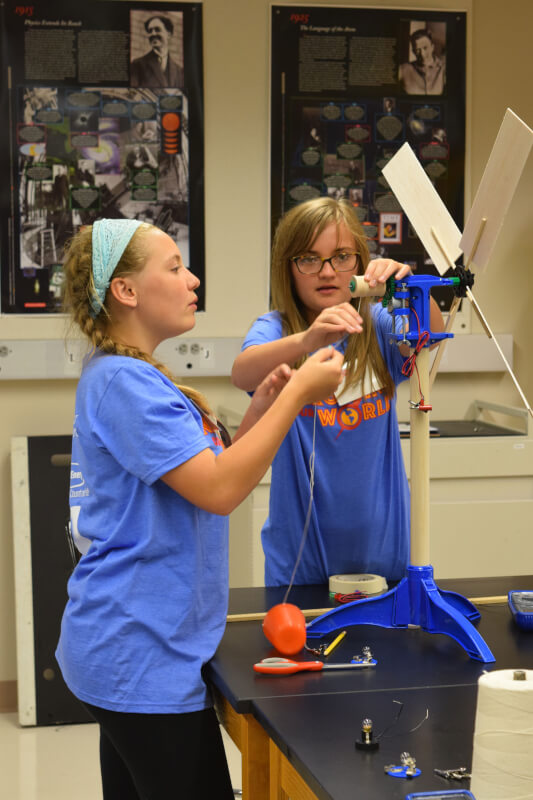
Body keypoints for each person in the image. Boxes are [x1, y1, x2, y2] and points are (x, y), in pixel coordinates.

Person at [55, 218, 343, 799]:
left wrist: (262, 407)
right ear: (126, 291)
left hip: (133, 650)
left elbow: (217, 473)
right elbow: (220, 491)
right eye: (174, 267)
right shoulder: (124, 383)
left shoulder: (135, 378)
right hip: (138, 654)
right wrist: (295, 396)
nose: (193, 279)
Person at [231, 197, 444, 587]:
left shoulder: (378, 324)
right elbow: (243, 374)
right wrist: (307, 340)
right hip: (301, 565)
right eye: (309, 258)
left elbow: (430, 336)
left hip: (388, 561)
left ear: (360, 263)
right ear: (288, 268)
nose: (327, 272)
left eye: (342, 256)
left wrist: (409, 290)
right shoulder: (276, 329)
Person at [130, 15, 184, 88]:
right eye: (150, 31)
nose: (153, 34)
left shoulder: (179, 71)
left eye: (157, 30)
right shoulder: (138, 64)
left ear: (169, 34)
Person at [399, 28, 445, 95]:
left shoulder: (444, 68)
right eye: (417, 50)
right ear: (413, 51)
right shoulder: (403, 69)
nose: (422, 54)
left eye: (425, 48)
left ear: (432, 47)